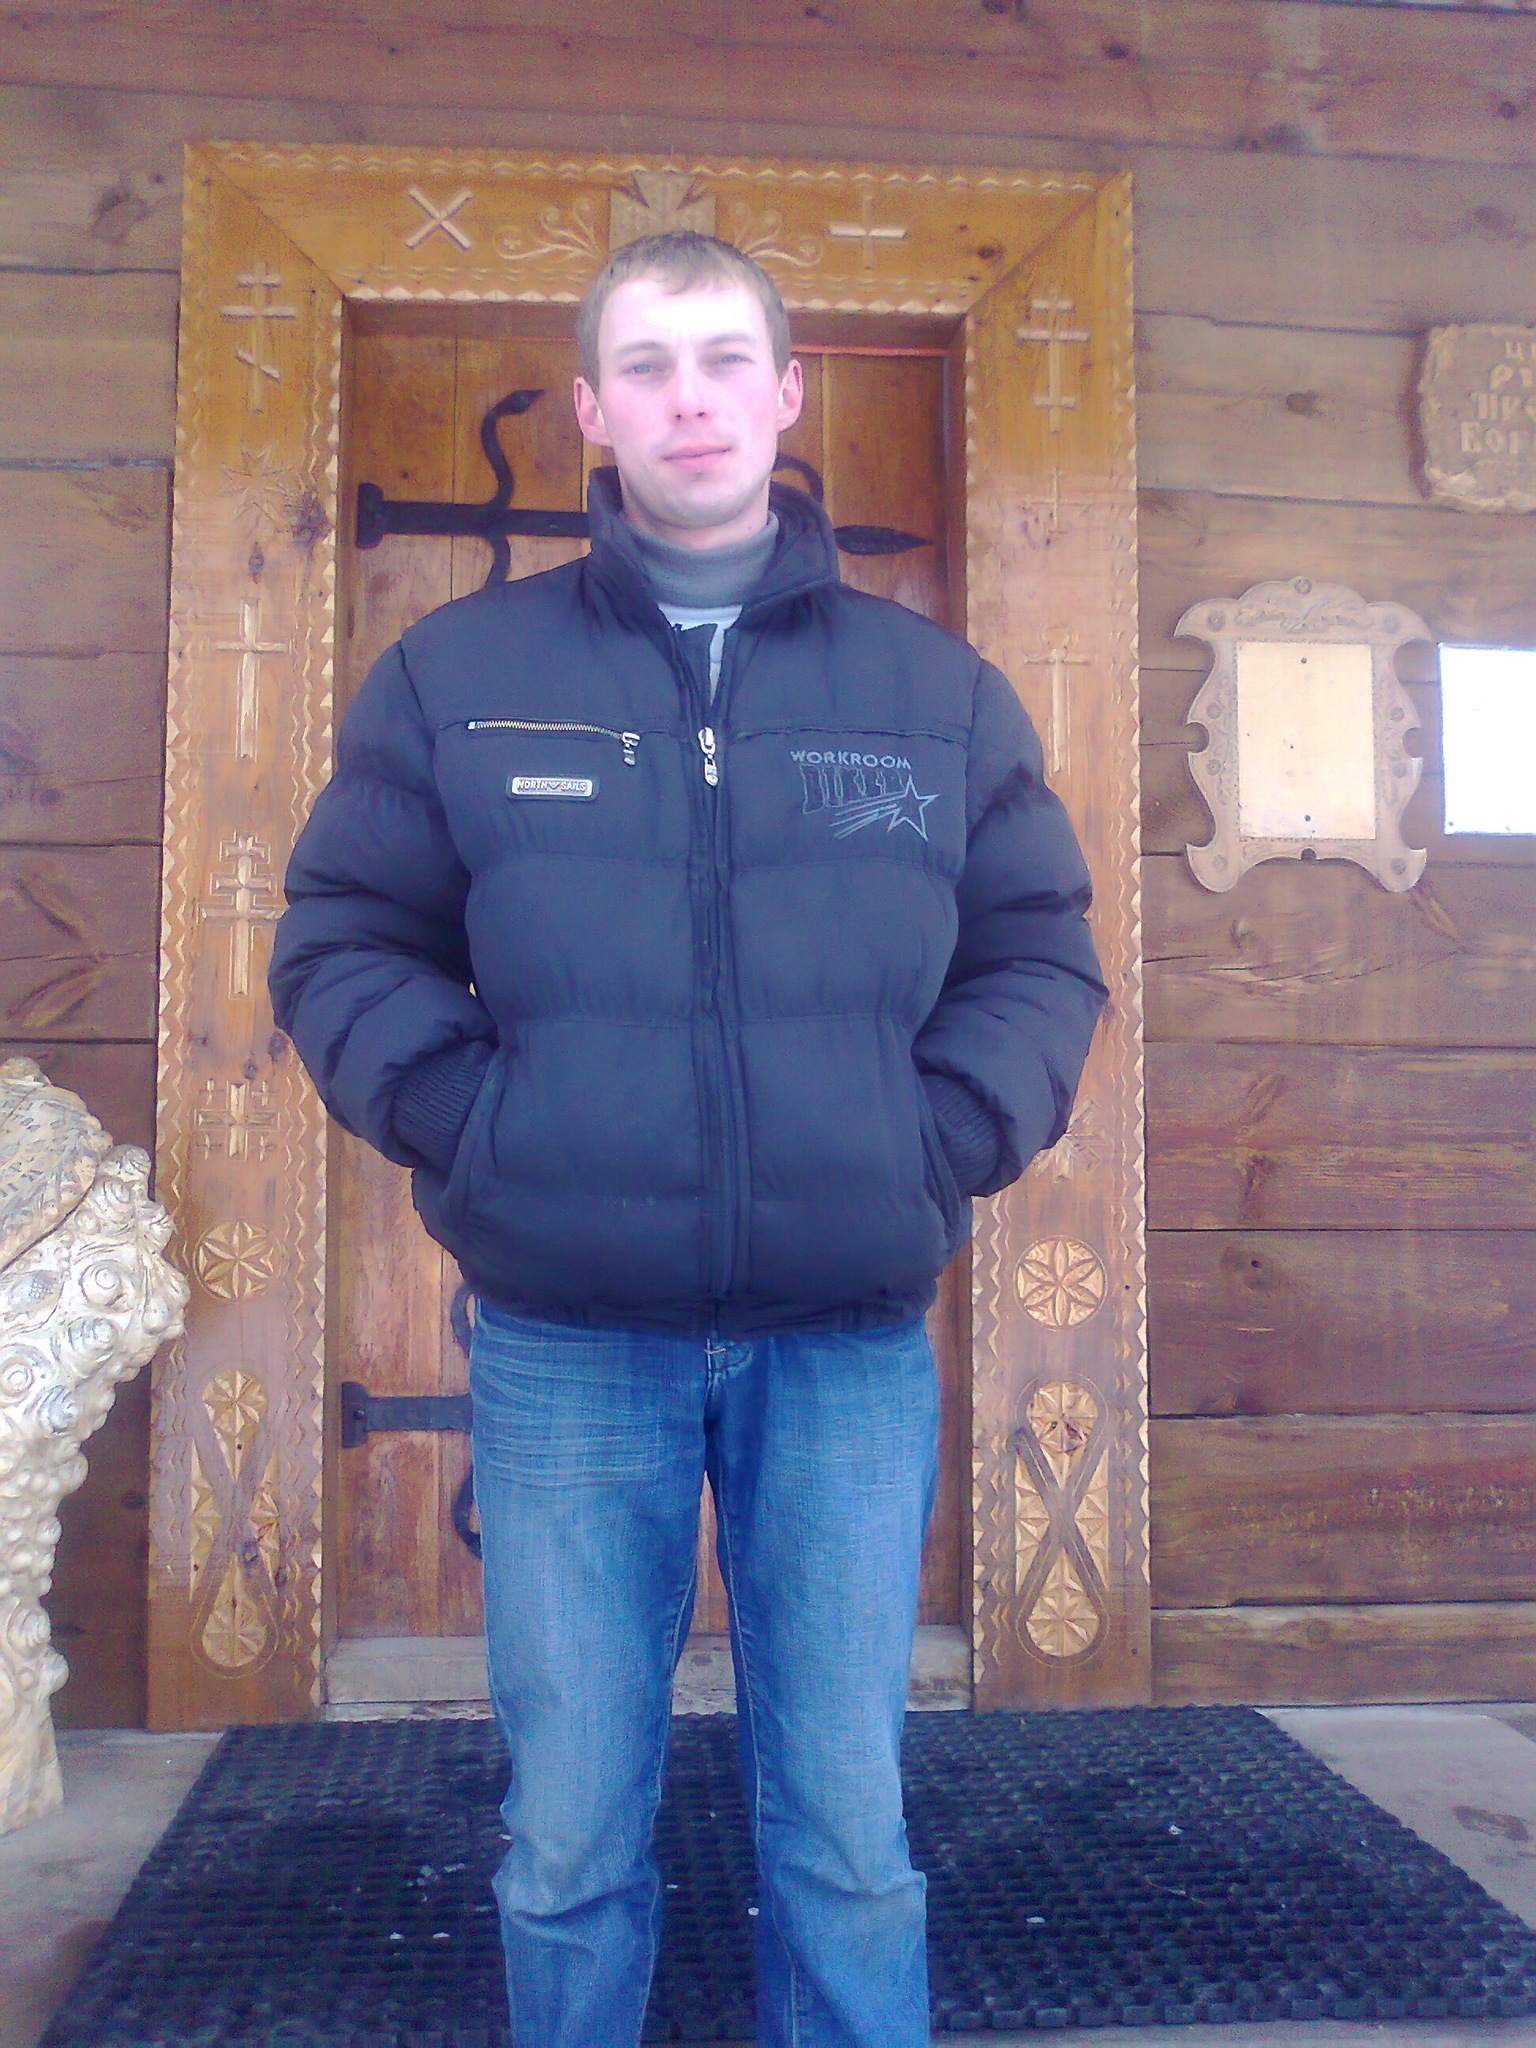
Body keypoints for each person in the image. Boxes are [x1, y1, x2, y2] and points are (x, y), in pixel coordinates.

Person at [270, 231, 1106, 2048]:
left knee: (850, 1837)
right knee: (568, 1833)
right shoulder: (459, 673)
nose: (691, 399)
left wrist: (936, 1138)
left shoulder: (934, 694)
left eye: (726, 359)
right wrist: (484, 1131)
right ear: (592, 410)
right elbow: (342, 938)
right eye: (646, 366)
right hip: (569, 1336)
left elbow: (1036, 951)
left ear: (789, 394)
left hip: (846, 1339)